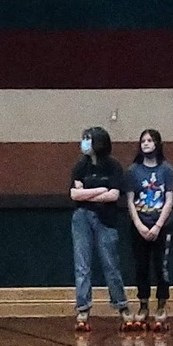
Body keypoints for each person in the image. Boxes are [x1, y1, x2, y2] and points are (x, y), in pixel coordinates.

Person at [69, 127, 129, 332]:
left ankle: (121, 305)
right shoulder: (80, 166)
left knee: (111, 265)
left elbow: (113, 195)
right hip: (81, 218)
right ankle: (83, 308)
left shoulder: (113, 167)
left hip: (106, 219)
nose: (84, 143)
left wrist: (87, 193)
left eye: (88, 139)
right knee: (82, 265)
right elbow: (74, 195)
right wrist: (99, 191)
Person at [126, 130, 173, 332]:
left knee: (160, 267)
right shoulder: (133, 171)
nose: (146, 144)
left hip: (161, 226)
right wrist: (139, 225)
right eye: (143, 141)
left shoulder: (166, 170)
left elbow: (169, 200)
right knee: (141, 266)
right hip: (140, 225)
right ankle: (143, 304)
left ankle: (161, 305)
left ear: (157, 144)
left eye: (150, 140)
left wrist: (157, 226)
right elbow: (130, 200)